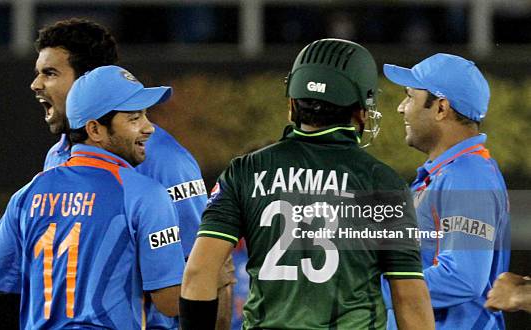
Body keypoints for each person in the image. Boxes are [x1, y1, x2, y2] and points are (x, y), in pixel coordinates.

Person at [180, 38, 435, 329]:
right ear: (360, 110)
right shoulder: (383, 182)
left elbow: (199, 273)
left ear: (292, 102)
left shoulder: (245, 170)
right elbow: (409, 298)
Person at [30, 18, 233, 329]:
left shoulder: (164, 158)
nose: (36, 84)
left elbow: (209, 271)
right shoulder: (56, 157)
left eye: (50, 73)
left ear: (88, 81)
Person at [0, 65, 185, 329]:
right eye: (134, 118)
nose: (149, 127)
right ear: (95, 130)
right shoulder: (145, 194)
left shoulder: (28, 193)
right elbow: (170, 302)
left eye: (144, 115)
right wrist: (209, 266)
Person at [382, 53, 511, 329]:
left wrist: (369, 289)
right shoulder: (444, 175)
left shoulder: (468, 175)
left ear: (441, 108)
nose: (401, 108)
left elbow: (463, 277)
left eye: (410, 96)